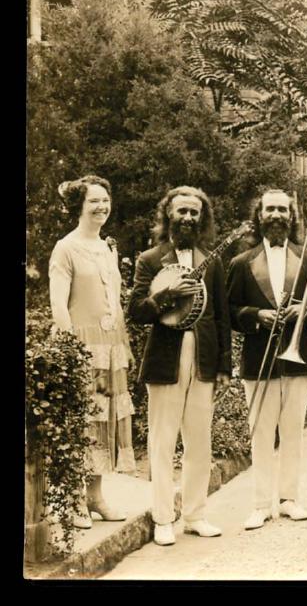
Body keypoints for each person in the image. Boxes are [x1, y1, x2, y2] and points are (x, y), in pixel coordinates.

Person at [128, 186, 232, 546]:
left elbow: (221, 317)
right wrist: (169, 294)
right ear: (168, 214)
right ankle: (162, 518)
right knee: (162, 441)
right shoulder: (150, 259)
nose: (188, 217)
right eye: (182, 211)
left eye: (194, 212)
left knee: (199, 441)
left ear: (202, 218)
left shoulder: (212, 260)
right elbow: (137, 311)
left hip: (203, 360)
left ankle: (195, 514)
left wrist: (223, 367)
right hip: (165, 359)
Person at [227, 190, 307, 530]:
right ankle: (260, 504)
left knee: (293, 431)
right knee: (261, 433)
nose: (276, 214)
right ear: (259, 215)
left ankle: (289, 499)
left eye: (283, 209)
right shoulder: (241, 263)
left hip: (298, 359)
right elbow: (229, 311)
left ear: (291, 216)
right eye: (269, 208)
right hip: (258, 358)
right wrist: (257, 314)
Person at [48, 175, 136, 528]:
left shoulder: (108, 247)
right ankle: (72, 501)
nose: (102, 207)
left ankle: (96, 497)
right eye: (93, 201)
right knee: (82, 423)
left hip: (110, 347)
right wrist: (72, 352)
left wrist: (124, 343)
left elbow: (114, 300)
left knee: (104, 422)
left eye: (105, 200)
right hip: (82, 348)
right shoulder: (65, 248)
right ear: (79, 207)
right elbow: (59, 305)